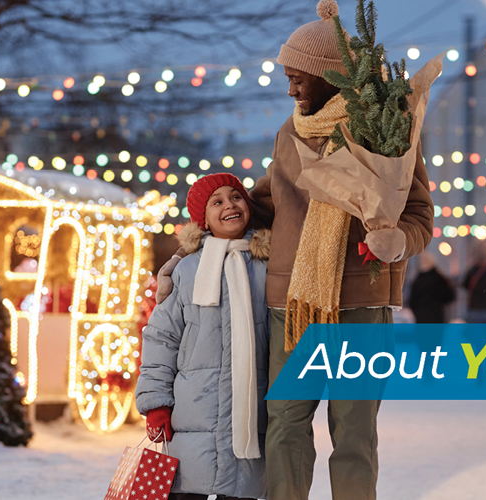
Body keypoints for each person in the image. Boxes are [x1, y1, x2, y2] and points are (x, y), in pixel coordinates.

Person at [159, 2, 434, 498]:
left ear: (329, 76)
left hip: (362, 306)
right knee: (285, 422)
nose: (290, 89)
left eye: (297, 79)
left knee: (354, 431)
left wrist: (397, 243)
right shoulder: (290, 134)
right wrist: (192, 249)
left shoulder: (388, 131)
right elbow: (260, 206)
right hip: (293, 306)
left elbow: (418, 216)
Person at [136, 173, 272, 500]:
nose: (230, 205)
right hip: (193, 417)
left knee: (240, 492)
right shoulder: (187, 271)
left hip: (251, 414)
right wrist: (156, 404)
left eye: (236, 196)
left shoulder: (269, 266)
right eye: (218, 202)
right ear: (203, 219)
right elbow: (161, 339)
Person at [409, 252, 456, 324]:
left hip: (421, 318)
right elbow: (450, 296)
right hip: (436, 317)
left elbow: (412, 301)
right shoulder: (439, 278)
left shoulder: (418, 280)